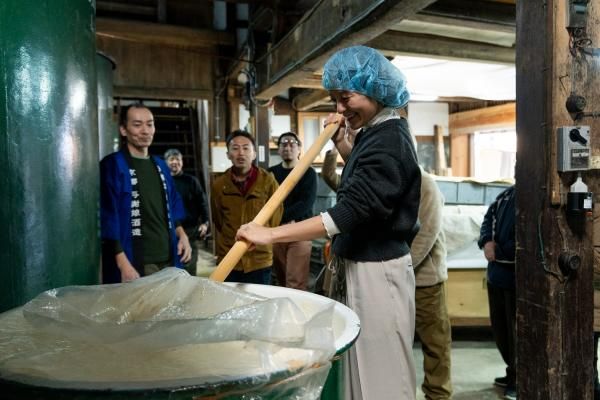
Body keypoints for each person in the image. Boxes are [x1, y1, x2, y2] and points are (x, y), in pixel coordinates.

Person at [236, 45, 421, 400]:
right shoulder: (375, 133)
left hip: (378, 270)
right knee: (358, 365)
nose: (339, 108)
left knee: (382, 373)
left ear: (374, 90)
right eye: (335, 99)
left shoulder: (391, 140)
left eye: (345, 97)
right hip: (361, 263)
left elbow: (348, 213)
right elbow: (367, 179)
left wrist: (270, 234)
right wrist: (341, 143)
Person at [322, 149, 452, 400]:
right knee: (389, 340)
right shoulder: (378, 181)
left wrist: (397, 271)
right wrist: (334, 146)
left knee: (434, 344)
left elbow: (426, 235)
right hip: (391, 276)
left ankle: (438, 395)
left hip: (423, 278)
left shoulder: (425, 184)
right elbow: (332, 179)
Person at [100, 103, 191, 284]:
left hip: (169, 256)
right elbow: (108, 216)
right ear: (124, 130)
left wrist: (183, 236)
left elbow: (172, 206)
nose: (145, 130)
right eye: (137, 124)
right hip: (136, 261)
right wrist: (122, 263)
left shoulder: (160, 165)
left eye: (150, 124)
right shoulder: (113, 165)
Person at [211, 130, 282, 284]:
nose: (241, 153)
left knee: (259, 305)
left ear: (254, 153)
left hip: (259, 258)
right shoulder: (219, 184)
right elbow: (218, 220)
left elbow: (275, 218)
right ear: (228, 154)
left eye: (246, 148)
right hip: (229, 257)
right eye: (235, 148)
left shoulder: (268, 181)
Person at [478, 185, 516, 400]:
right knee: (501, 331)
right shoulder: (506, 195)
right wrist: (486, 242)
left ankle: (519, 379)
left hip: (516, 280)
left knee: (517, 333)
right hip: (497, 277)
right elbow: (488, 218)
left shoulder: (533, 194)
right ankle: (512, 371)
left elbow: (526, 240)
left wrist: (498, 251)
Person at [268, 132, 317, 290]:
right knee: (281, 279)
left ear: (299, 149)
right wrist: (278, 222)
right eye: (283, 144)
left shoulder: (308, 172)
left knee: (296, 281)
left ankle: (297, 314)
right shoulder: (271, 173)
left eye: (292, 144)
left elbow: (306, 204)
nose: (288, 147)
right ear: (279, 150)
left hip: (300, 231)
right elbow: (267, 202)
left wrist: (280, 218)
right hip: (277, 231)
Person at [164, 148, 210, 276]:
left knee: (188, 268)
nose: (175, 162)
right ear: (166, 162)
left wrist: (205, 223)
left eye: (177, 159)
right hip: (168, 230)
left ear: (182, 162)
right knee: (169, 269)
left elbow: (202, 203)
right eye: (171, 159)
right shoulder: (162, 181)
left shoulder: (191, 181)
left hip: (190, 230)